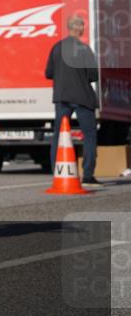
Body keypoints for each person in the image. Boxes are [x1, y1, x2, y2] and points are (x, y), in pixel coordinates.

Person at [45, 15, 100, 188]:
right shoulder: (84, 49)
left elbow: (48, 73)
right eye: (82, 26)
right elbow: (93, 76)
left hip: (62, 98)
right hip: (83, 98)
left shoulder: (56, 48)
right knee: (89, 135)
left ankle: (57, 171)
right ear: (79, 28)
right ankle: (88, 176)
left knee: (59, 136)